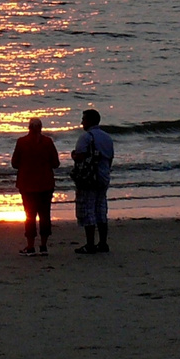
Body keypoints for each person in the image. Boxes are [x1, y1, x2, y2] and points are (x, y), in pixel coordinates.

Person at [10, 117, 59, 256]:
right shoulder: (48, 142)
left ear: (28, 128)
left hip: (27, 184)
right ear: (41, 128)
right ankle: (43, 246)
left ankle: (30, 246)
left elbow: (14, 163)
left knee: (29, 215)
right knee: (45, 215)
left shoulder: (21, 142)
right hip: (45, 183)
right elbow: (56, 163)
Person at [71, 108, 114, 254]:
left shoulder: (86, 137)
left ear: (89, 121)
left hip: (89, 178)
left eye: (83, 119)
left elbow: (80, 157)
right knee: (101, 209)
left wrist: (74, 156)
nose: (81, 122)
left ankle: (90, 244)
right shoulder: (107, 137)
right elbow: (110, 158)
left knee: (87, 210)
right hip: (103, 176)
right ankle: (102, 243)